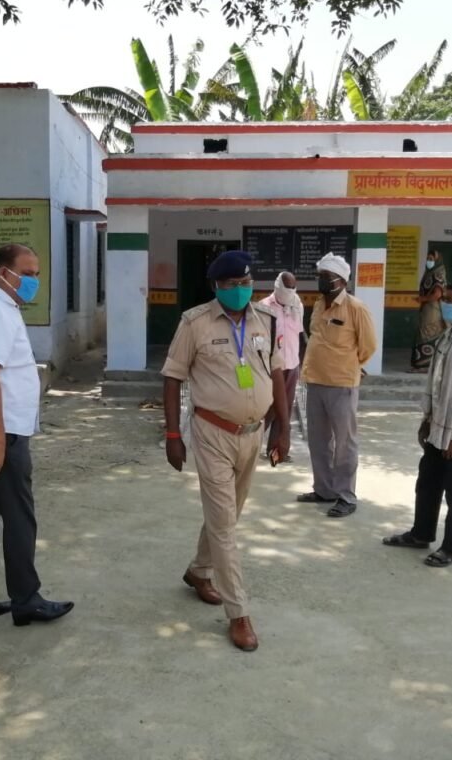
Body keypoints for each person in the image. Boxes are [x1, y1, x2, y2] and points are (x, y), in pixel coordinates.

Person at [161, 249, 290, 653]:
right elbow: (172, 378)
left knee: (227, 516)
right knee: (224, 525)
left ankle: (199, 571)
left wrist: (283, 428)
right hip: (212, 433)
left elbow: (278, 374)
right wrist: (172, 435)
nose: (240, 290)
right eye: (232, 285)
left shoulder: (266, 319)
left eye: (246, 283)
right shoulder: (194, 323)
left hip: (253, 433)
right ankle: (239, 613)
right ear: (216, 286)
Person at [0, 243, 74, 628]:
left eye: (36, 274)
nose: (33, 281)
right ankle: (26, 599)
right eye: (26, 273)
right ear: (2, 272)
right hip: (0, 433)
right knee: (19, 515)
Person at [383, 282, 452, 567]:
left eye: (449, 300)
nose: (443, 304)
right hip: (437, 427)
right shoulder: (448, 334)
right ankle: (421, 534)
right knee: (427, 484)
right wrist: (426, 420)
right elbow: (436, 381)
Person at [297, 252, 377, 517]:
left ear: (341, 280)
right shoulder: (319, 304)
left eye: (327, 276)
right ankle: (324, 489)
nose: (322, 280)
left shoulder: (355, 308)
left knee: (345, 442)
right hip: (315, 380)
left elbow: (368, 346)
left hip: (342, 384)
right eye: (320, 276)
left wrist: (351, 365)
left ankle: (345, 496)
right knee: (318, 441)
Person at [257, 271, 304, 462]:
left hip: (292, 364)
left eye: (293, 288)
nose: (291, 291)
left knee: (284, 410)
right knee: (268, 408)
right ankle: (250, 444)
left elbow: (298, 335)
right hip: (271, 367)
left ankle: (276, 451)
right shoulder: (263, 307)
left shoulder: (297, 305)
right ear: (278, 287)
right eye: (287, 288)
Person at [410, 249, 446, 372]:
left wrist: (423, 299)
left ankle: (426, 365)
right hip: (426, 308)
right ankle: (421, 364)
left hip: (433, 309)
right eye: (428, 259)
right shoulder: (429, 273)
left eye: (431, 259)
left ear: (437, 261)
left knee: (428, 333)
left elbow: (437, 294)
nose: (428, 261)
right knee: (423, 333)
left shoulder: (438, 274)